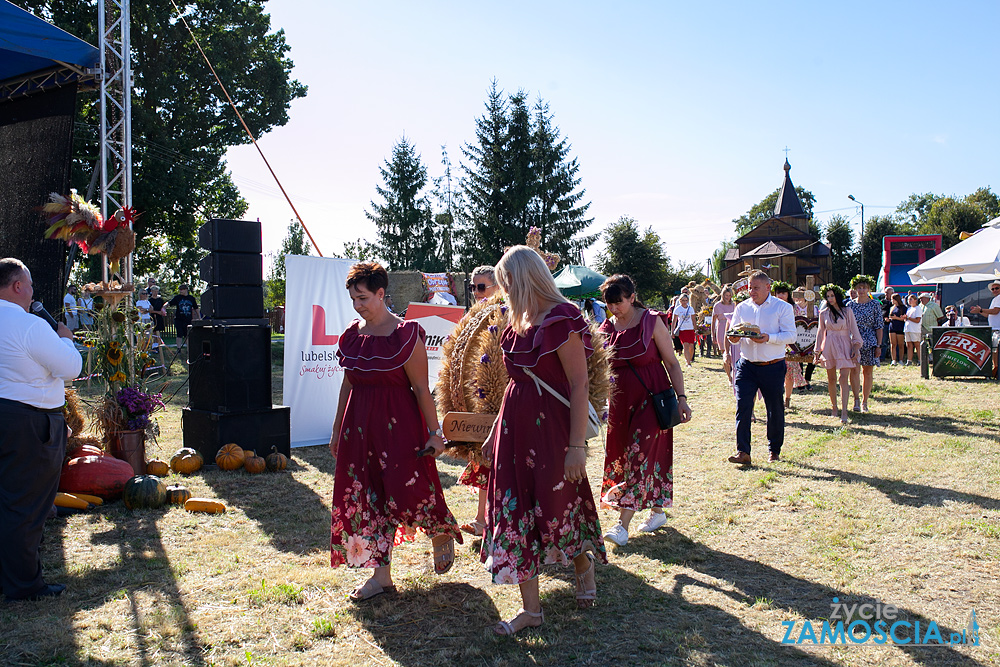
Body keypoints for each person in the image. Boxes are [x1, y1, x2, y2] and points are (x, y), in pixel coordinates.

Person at [483, 245, 606, 636]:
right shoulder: (516, 324)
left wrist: (575, 447)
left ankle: (582, 566)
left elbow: (578, 383)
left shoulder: (563, 318)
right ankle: (531, 610)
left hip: (552, 430)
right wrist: (492, 432)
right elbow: (513, 385)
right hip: (515, 430)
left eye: (506, 284)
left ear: (522, 280)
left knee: (557, 505)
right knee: (516, 512)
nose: (503, 292)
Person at [329, 262, 462, 601]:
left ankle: (440, 530)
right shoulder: (351, 336)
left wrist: (435, 433)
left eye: (363, 298)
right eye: (353, 299)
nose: (358, 306)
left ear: (381, 294)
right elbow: (347, 385)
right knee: (366, 497)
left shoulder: (406, 334)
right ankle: (381, 576)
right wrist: (336, 428)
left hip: (398, 426)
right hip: (358, 428)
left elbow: (420, 388)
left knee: (410, 487)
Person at [0, 258, 82, 601]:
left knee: (6, 500)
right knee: (26, 506)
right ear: (18, 286)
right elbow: (71, 368)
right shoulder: (31, 326)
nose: (33, 292)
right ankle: (24, 585)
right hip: (29, 422)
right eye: (30, 285)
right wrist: (64, 339)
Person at [598, 275, 691, 547]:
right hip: (619, 403)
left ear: (631, 296)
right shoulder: (607, 327)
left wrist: (682, 398)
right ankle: (658, 512)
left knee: (639, 455)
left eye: (619, 303)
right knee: (627, 457)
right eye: (610, 304)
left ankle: (621, 525)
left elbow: (672, 364)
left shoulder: (652, 321)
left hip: (651, 399)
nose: (614, 309)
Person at [726, 271, 795, 465]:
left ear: (767, 288)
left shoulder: (782, 307)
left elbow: (791, 336)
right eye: (749, 287)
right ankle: (743, 452)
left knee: (774, 409)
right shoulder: (742, 307)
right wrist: (733, 337)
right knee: (743, 407)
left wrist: (768, 338)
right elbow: (733, 331)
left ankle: (774, 450)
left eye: (755, 288)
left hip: (772, 366)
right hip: (746, 365)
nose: (751, 291)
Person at [458, 265, 499, 538]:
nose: (476, 292)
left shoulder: (506, 313)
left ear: (498, 287)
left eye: (481, 287)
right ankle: (481, 519)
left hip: (502, 397)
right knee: (482, 459)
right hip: (480, 398)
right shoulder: (473, 316)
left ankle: (494, 520)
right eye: (472, 287)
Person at [814, 285, 863, 424]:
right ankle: (834, 407)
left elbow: (854, 329)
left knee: (843, 378)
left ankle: (845, 410)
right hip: (829, 345)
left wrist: (856, 345)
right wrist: (817, 351)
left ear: (837, 296)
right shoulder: (823, 313)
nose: (830, 299)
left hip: (845, 345)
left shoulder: (847, 311)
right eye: (828, 296)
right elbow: (820, 332)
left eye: (832, 296)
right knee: (831, 379)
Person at [847, 276, 883, 413]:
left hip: (870, 340)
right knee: (854, 370)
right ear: (855, 289)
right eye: (859, 287)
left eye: (864, 287)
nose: (861, 290)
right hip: (854, 341)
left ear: (869, 289)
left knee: (867, 372)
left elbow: (879, 326)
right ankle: (856, 399)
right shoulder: (850, 305)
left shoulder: (875, 304)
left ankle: (865, 401)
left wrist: (879, 345)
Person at [771, 283, 807, 408]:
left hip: (790, 343)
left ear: (788, 295)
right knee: (776, 373)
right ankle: (778, 398)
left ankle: (787, 398)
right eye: (778, 293)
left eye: (783, 293)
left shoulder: (794, 308)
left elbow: (799, 325)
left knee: (790, 372)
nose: (780, 295)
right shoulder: (771, 307)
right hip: (775, 341)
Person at [969, 279, 1000, 376]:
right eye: (993, 289)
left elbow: (995, 311)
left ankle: (996, 369)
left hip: (998, 328)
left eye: (997, 288)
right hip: (995, 328)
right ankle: (995, 369)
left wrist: (981, 309)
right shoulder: (995, 299)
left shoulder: (999, 298)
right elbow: (989, 315)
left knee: (996, 350)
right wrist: (979, 311)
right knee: (995, 350)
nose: (994, 290)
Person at [712, 287, 736, 384]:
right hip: (721, 328)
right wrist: (712, 335)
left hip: (732, 327)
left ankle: (734, 374)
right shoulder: (717, 306)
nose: (728, 297)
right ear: (722, 295)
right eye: (726, 295)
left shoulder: (734, 305)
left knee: (733, 352)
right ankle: (729, 377)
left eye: (729, 296)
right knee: (725, 353)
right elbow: (713, 322)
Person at [167, 284, 199, 350]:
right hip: (179, 319)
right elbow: (169, 303)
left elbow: (196, 308)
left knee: (187, 335)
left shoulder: (191, 298)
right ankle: (178, 348)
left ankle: (188, 349)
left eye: (182, 290)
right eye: (180, 290)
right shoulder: (177, 298)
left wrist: (199, 317)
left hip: (188, 319)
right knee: (179, 334)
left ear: (186, 290)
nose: (180, 291)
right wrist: (164, 307)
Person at [918, 292, 944, 367]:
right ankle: (924, 358)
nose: (921, 300)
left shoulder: (934, 306)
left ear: (927, 299)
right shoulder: (920, 306)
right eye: (920, 299)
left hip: (931, 328)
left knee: (932, 344)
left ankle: (933, 358)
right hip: (922, 328)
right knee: (923, 345)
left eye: (922, 299)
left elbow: (940, 316)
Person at [672, 293, 696, 367]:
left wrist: (696, 329)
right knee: (685, 345)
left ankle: (690, 359)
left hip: (690, 329)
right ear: (680, 301)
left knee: (691, 346)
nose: (684, 302)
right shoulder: (678, 309)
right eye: (683, 300)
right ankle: (688, 362)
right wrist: (672, 331)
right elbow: (674, 321)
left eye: (686, 300)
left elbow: (693, 319)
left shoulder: (690, 309)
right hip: (682, 329)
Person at [886, 292, 907, 365]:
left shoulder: (903, 308)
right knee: (893, 344)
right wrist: (888, 319)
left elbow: (904, 319)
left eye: (893, 299)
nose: (892, 301)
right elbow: (890, 316)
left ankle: (901, 359)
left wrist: (896, 318)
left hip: (900, 326)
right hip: (892, 326)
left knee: (900, 344)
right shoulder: (892, 307)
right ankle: (893, 359)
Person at [903, 293, 922, 366]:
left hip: (915, 329)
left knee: (917, 345)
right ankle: (909, 360)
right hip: (908, 329)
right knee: (909, 345)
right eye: (908, 300)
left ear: (915, 300)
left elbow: (917, 320)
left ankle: (920, 360)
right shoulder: (909, 309)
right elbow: (907, 319)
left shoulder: (918, 308)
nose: (909, 301)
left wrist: (908, 318)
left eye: (911, 299)